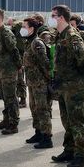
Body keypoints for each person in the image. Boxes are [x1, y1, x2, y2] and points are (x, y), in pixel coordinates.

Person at [49, 5, 84, 167]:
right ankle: (69, 150)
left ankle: (81, 156)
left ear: (60, 17)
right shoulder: (61, 36)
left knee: (76, 122)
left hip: (74, 86)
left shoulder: (72, 36)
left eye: (53, 15)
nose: (50, 18)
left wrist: (74, 78)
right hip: (64, 86)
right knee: (67, 121)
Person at [22, 17, 54, 148]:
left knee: (42, 110)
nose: (22, 29)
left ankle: (47, 137)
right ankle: (38, 132)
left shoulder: (37, 43)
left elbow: (45, 64)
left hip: (40, 83)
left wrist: (47, 81)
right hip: (32, 82)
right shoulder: (28, 42)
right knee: (34, 108)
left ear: (31, 29)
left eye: (24, 27)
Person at [0, 10, 21, 134]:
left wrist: (18, 66)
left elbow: (13, 50)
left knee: (11, 98)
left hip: (9, 71)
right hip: (1, 70)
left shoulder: (6, 33)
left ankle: (13, 124)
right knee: (4, 97)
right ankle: (6, 119)